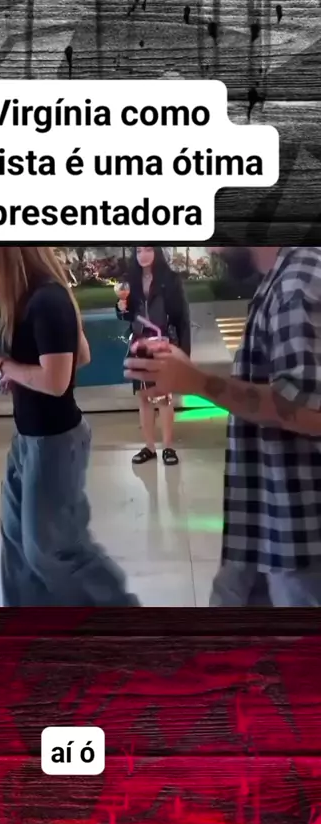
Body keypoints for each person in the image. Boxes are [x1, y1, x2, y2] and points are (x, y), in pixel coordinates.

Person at [124, 246, 321, 607]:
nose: (210, 247)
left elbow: (310, 409)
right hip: (264, 521)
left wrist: (198, 382)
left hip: (298, 540)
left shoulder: (299, 282)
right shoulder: (278, 280)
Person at [0, 246, 139, 607]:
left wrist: (0, 365)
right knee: (18, 544)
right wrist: (20, 375)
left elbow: (56, 382)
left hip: (55, 441)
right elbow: (81, 356)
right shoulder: (32, 299)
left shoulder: (47, 300)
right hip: (28, 439)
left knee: (51, 550)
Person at [116, 246, 191, 466]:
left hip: (162, 341)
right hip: (139, 343)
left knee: (164, 396)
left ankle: (168, 447)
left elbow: (182, 318)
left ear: (156, 251)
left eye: (148, 249)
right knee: (143, 396)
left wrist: (184, 353)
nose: (143, 255)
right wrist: (121, 308)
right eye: (139, 251)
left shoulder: (170, 280)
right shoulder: (130, 280)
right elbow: (126, 315)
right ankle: (149, 447)